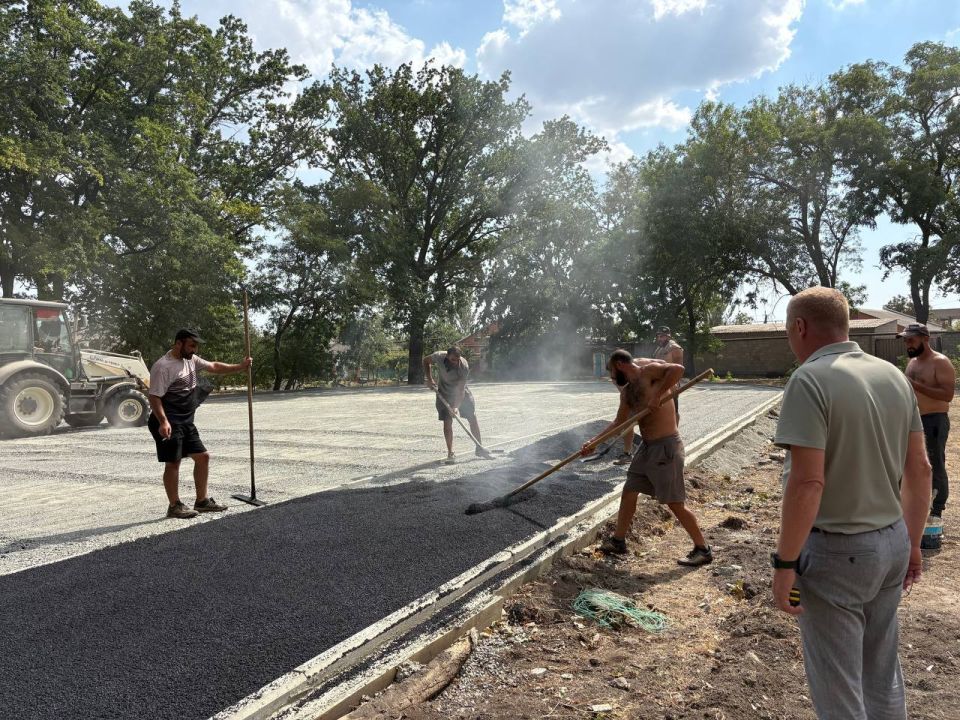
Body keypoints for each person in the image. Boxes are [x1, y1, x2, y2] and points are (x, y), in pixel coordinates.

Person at [772, 287, 931, 720]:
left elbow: (807, 484)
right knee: (881, 673)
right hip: (893, 542)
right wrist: (913, 543)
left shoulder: (809, 379)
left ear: (800, 327)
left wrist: (784, 565)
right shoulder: (893, 375)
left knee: (839, 688)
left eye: (789, 330)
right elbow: (920, 470)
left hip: (838, 553)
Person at [581, 349, 712, 566]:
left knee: (674, 503)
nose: (612, 378)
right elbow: (618, 423)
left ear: (620, 364)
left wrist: (658, 394)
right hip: (647, 447)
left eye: (612, 372)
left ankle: (703, 549)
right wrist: (593, 442)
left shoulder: (650, 372)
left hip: (666, 447)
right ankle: (618, 541)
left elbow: (678, 369)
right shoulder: (628, 392)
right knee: (630, 490)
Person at [147, 329, 252, 519]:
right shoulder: (163, 366)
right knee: (173, 463)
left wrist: (241, 366)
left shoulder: (191, 360)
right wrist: (163, 422)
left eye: (196, 346)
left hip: (185, 421)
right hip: (168, 421)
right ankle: (174, 506)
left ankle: (201, 501)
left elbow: (214, 366)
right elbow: (154, 396)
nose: (194, 350)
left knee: (203, 457)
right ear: (178, 343)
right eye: (191, 346)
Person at [899, 323, 955, 519]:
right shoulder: (912, 362)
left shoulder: (940, 362)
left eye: (911, 340)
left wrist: (915, 385)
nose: (908, 344)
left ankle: (937, 510)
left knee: (933, 463)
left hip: (934, 421)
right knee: (908, 464)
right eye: (906, 341)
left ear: (925, 338)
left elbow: (947, 395)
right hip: (912, 421)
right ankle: (910, 505)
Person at [423, 346, 483, 464]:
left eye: (457, 359)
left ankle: (480, 448)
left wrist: (456, 406)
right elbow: (425, 361)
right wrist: (429, 379)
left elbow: (460, 390)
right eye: (452, 360)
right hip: (444, 392)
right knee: (447, 421)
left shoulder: (464, 366)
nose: (455, 362)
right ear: (447, 356)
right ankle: (450, 452)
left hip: (461, 393)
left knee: (472, 417)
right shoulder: (439, 356)